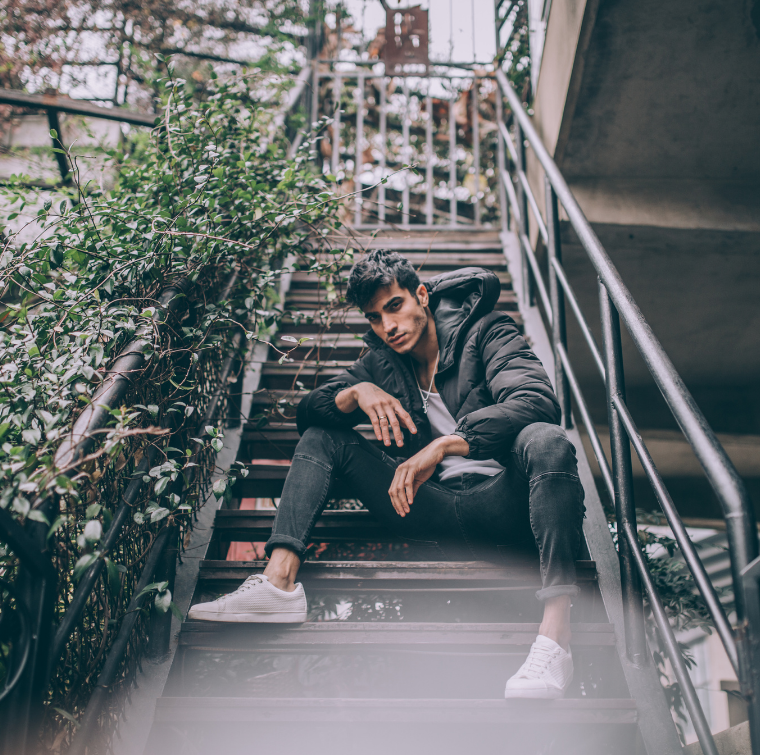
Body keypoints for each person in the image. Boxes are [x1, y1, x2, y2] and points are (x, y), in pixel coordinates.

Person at [188, 250, 585, 699]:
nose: (387, 326)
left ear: (420, 295)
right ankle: (278, 583)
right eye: (374, 317)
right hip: (427, 508)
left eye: (394, 307)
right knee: (322, 435)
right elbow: (308, 414)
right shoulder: (382, 363)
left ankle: (555, 638)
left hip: (505, 503)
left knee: (547, 440)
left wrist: (442, 445)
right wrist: (357, 391)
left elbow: (537, 402)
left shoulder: (487, 331)